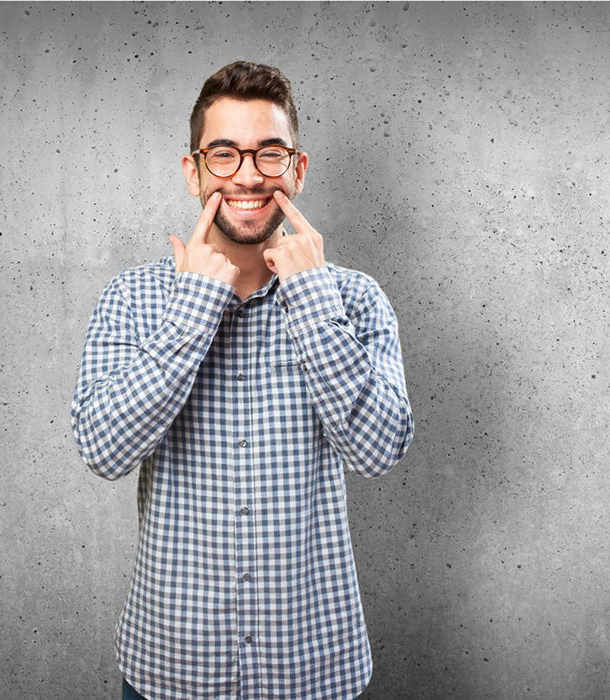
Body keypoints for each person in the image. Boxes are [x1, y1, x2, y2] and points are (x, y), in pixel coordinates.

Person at [71, 61, 414, 700]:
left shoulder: (354, 299)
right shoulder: (132, 298)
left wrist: (311, 297)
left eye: (269, 153)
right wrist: (195, 306)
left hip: (313, 671)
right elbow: (101, 450)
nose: (249, 174)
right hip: (170, 673)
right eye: (223, 154)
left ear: (298, 169)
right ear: (193, 171)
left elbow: (378, 451)